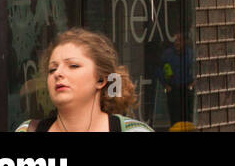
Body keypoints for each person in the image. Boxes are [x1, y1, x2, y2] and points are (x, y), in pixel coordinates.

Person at [16, 28, 153, 132]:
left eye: (73, 66)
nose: (58, 73)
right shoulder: (28, 130)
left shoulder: (134, 130)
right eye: (52, 69)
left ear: (100, 80)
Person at [159, 32, 195, 125]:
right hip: (173, 89)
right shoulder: (168, 54)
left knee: (187, 117)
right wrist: (165, 85)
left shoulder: (190, 54)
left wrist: (193, 84)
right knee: (174, 117)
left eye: (179, 40)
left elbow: (199, 68)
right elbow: (159, 69)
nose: (177, 43)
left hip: (186, 88)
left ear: (184, 42)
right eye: (175, 40)